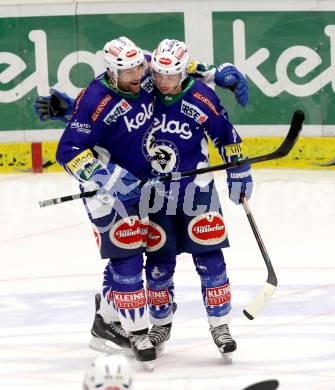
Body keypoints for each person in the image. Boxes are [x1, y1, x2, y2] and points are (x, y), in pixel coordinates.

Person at [35, 36, 249, 366]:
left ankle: (107, 317)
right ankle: (124, 325)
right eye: (131, 72)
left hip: (153, 186)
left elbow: (176, 68)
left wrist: (214, 72)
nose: (142, 77)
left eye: (141, 68)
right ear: (111, 71)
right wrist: (107, 177)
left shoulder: (146, 69)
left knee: (141, 257)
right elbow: (69, 151)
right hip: (109, 192)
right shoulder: (95, 98)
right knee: (130, 258)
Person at [141, 39, 253, 363]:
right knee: (159, 264)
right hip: (155, 193)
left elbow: (226, 135)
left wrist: (239, 171)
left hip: (197, 191)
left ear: (183, 71)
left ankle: (221, 325)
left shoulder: (203, 96)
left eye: (170, 75)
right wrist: (213, 70)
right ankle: (159, 324)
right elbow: (136, 59)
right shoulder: (145, 88)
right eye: (159, 74)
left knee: (211, 260)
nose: (164, 82)